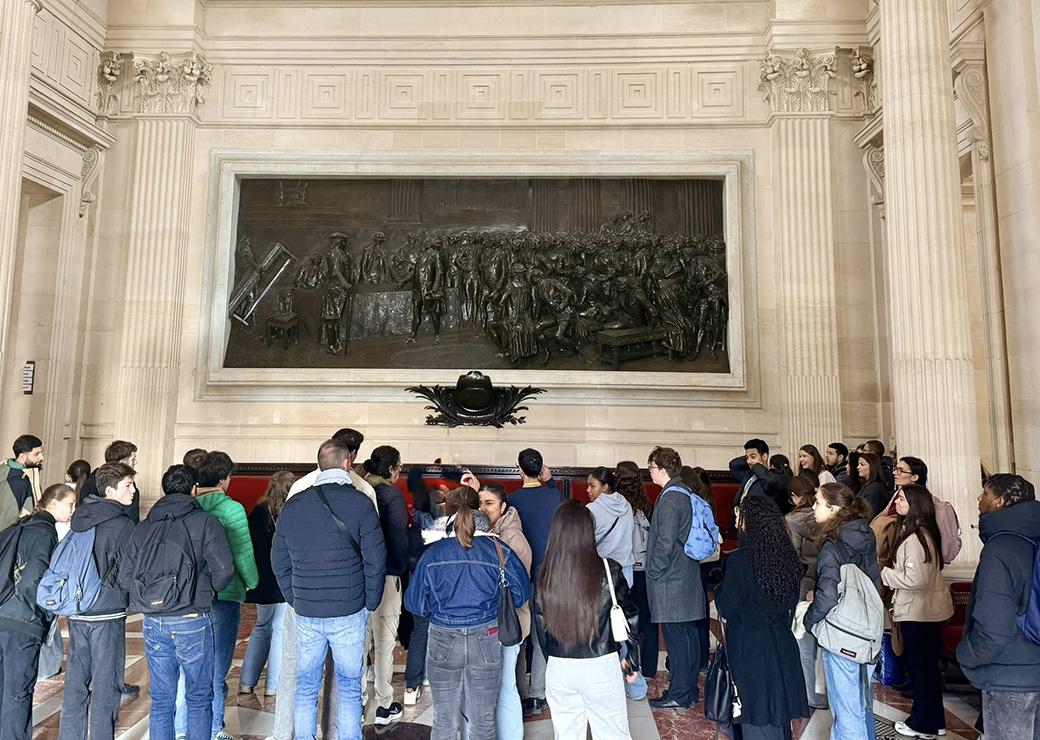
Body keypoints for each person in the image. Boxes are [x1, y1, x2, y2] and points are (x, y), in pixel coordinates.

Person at [272, 438, 386, 740]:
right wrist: (370, 601)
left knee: (305, 686)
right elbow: (376, 558)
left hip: (307, 610)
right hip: (350, 609)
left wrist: (294, 598)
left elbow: (278, 558)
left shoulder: (294, 504)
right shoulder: (361, 502)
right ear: (347, 463)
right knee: (349, 688)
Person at [119, 464, 234, 740]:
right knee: (198, 696)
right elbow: (225, 570)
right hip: (192, 616)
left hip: (154, 620)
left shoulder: (144, 527)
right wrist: (207, 593)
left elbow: (125, 576)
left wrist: (150, 599)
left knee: (161, 699)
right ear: (194, 489)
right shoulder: (206, 522)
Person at [404, 487, 530, 740]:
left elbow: (414, 604)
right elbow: (522, 595)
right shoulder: (499, 551)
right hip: (487, 635)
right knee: (483, 720)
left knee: (444, 720)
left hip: (442, 636)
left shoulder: (433, 554)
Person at [535, 500, 638, 739]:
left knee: (567, 734)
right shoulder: (609, 570)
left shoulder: (545, 574)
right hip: (600, 664)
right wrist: (631, 660)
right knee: (613, 734)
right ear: (589, 532)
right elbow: (630, 616)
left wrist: (554, 660)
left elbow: (541, 627)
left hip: (560, 666)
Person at [176, 451, 258, 740]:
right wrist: (251, 582)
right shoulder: (231, 509)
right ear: (224, 478)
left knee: (189, 663)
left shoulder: (188, 506)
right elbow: (242, 553)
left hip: (188, 594)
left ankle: (182, 728)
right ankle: (212, 728)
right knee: (217, 665)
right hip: (224, 593)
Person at [717, 495, 809, 739]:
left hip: (749, 644)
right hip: (781, 642)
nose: (737, 519)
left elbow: (727, 608)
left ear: (751, 523)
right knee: (777, 711)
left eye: (740, 515)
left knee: (753, 711)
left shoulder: (739, 561)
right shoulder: (790, 559)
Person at [957, 474, 1040, 740]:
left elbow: (993, 629)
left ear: (1000, 501)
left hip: (1010, 675)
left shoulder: (1001, 548)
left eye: (985, 493)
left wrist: (965, 654)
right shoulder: (1032, 539)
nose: (979, 499)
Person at [59, 462, 138, 740]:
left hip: (78, 608)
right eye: (128, 485)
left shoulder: (80, 517)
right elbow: (129, 571)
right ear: (109, 490)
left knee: (77, 680)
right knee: (106, 683)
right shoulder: (122, 523)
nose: (133, 490)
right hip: (107, 610)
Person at [803, 483, 881, 740]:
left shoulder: (833, 544)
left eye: (817, 502)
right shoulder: (865, 534)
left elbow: (827, 594)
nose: (813, 507)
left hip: (843, 633)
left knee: (846, 712)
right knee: (861, 706)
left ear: (834, 509)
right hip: (868, 629)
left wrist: (809, 620)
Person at [0, 483, 74, 740]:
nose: (73, 510)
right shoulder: (45, 532)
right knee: (18, 690)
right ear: (53, 504)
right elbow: (36, 576)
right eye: (70, 504)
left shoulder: (18, 525)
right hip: (23, 620)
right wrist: (39, 614)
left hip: (2, 612)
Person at [880, 485, 953, 739]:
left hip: (917, 613)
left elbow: (915, 579)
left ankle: (923, 724)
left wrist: (885, 573)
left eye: (901, 498)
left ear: (915, 503)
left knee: (921, 671)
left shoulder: (915, 537)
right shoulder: (923, 532)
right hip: (926, 611)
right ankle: (935, 720)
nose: (897, 501)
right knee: (928, 671)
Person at [646, 446, 704, 709]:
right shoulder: (684, 492)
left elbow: (665, 543)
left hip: (671, 580)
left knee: (678, 642)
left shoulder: (670, 497)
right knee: (688, 639)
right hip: (686, 575)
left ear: (662, 469)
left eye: (651, 468)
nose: (649, 473)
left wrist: (654, 571)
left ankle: (680, 694)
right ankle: (688, 691)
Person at [507, 448, 563, 717]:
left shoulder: (513, 499)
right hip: (548, 575)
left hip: (519, 575)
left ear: (519, 468)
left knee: (519, 634)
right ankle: (539, 694)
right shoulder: (554, 495)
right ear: (541, 468)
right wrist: (549, 481)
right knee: (542, 637)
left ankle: (519, 692)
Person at [477, 483, 532, 740]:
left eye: (489, 503)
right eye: (480, 503)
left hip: (508, 623)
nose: (483, 508)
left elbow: (520, 590)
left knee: (506, 687)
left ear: (503, 507)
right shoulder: (488, 532)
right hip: (491, 624)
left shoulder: (512, 537)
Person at [361, 446, 410, 726]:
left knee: (360, 643)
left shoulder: (358, 490)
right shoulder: (391, 496)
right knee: (384, 644)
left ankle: (356, 702)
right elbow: (399, 542)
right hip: (387, 576)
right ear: (392, 469)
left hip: (358, 577)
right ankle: (383, 704)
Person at [240, 470, 293, 697]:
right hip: (283, 578)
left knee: (262, 628)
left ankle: (246, 682)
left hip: (262, 578)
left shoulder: (259, 511)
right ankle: (273, 686)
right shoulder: (292, 511)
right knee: (280, 629)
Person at [785, 473, 826, 710]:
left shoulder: (792, 520)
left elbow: (791, 556)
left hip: (804, 582)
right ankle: (820, 691)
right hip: (827, 581)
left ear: (794, 496)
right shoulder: (827, 517)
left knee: (803, 639)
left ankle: (809, 693)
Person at [615, 462, 658, 679]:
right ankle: (649, 669)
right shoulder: (649, 506)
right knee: (648, 620)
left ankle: (627, 668)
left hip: (621, 567)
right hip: (645, 568)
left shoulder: (615, 505)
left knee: (622, 620)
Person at [730, 438, 789, 512]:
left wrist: (757, 466)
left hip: (760, 520)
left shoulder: (776, 476)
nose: (748, 461)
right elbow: (733, 465)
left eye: (753, 457)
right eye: (747, 458)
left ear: (764, 456)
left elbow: (769, 482)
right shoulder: (748, 474)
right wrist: (750, 457)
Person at [0, 434, 44, 530]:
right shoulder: (17, 481)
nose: (42, 457)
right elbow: (6, 522)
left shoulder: (7, 470)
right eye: (36, 454)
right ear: (22, 456)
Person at [856, 452, 888, 518]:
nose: (858, 467)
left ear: (872, 467)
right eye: (858, 464)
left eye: (862, 464)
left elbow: (868, 512)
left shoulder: (874, 487)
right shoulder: (868, 485)